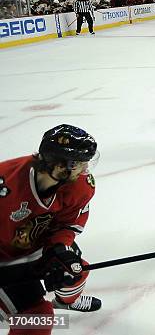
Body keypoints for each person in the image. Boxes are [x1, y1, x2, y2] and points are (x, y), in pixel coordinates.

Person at [0, 125, 102, 335]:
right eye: (80, 164)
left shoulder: (80, 186)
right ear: (59, 165)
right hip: (3, 261)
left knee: (74, 271)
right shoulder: (6, 184)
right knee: (37, 319)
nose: (85, 170)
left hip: (37, 247)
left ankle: (66, 301)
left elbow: (67, 224)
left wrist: (57, 249)